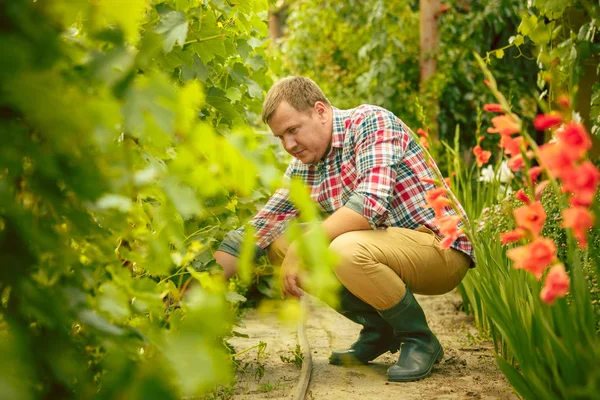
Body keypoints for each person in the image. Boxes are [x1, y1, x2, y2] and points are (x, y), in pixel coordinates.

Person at [213, 76, 475, 382]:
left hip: (439, 247)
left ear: (321, 111)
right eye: (280, 137)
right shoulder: (306, 164)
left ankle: (419, 339)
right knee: (279, 243)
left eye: (293, 130)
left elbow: (370, 205)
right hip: (385, 246)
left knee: (342, 249)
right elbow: (262, 227)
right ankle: (380, 329)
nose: (288, 145)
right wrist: (199, 283)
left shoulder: (371, 123)